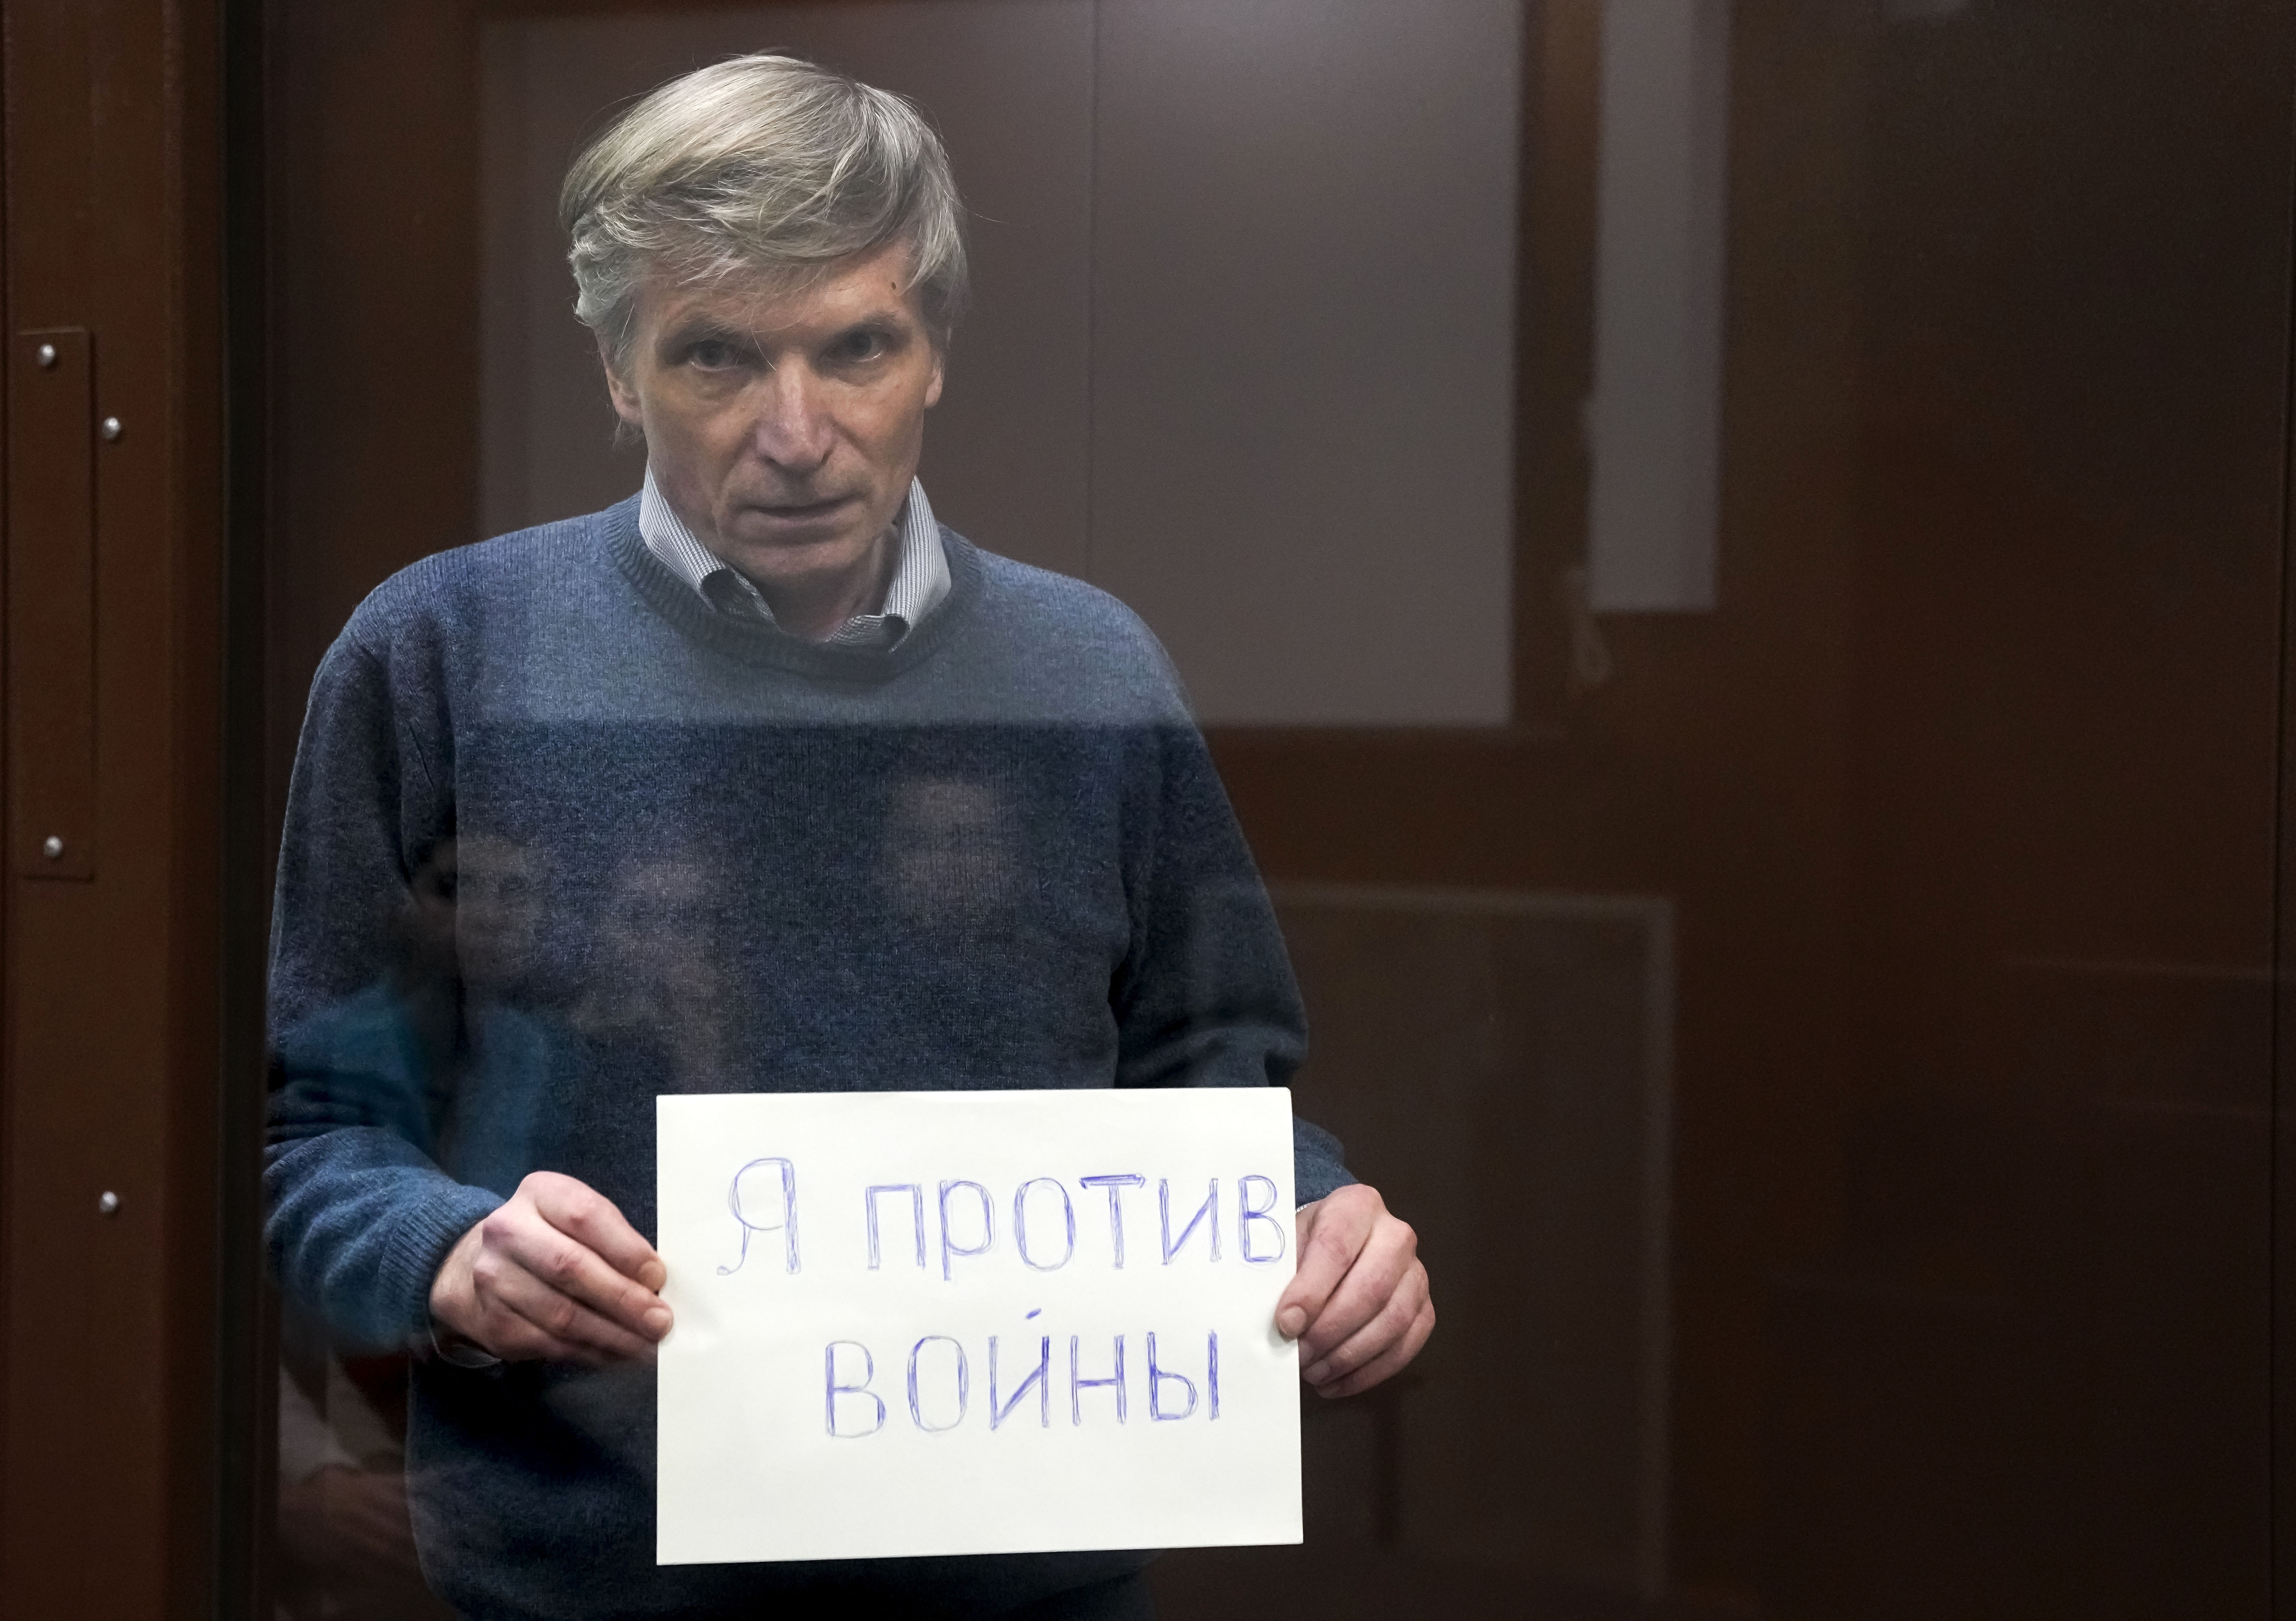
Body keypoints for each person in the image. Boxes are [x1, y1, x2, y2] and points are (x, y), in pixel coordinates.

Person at [265, 53, 1434, 1620]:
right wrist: (442, 1249)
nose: (798, 431)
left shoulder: (1091, 674)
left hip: (1032, 1591)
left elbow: (1219, 1091)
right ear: (619, 372)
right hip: (585, 1590)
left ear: (935, 349)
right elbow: (303, 1142)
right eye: (719, 360)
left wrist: (1322, 1225)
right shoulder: (443, 658)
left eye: (857, 347)